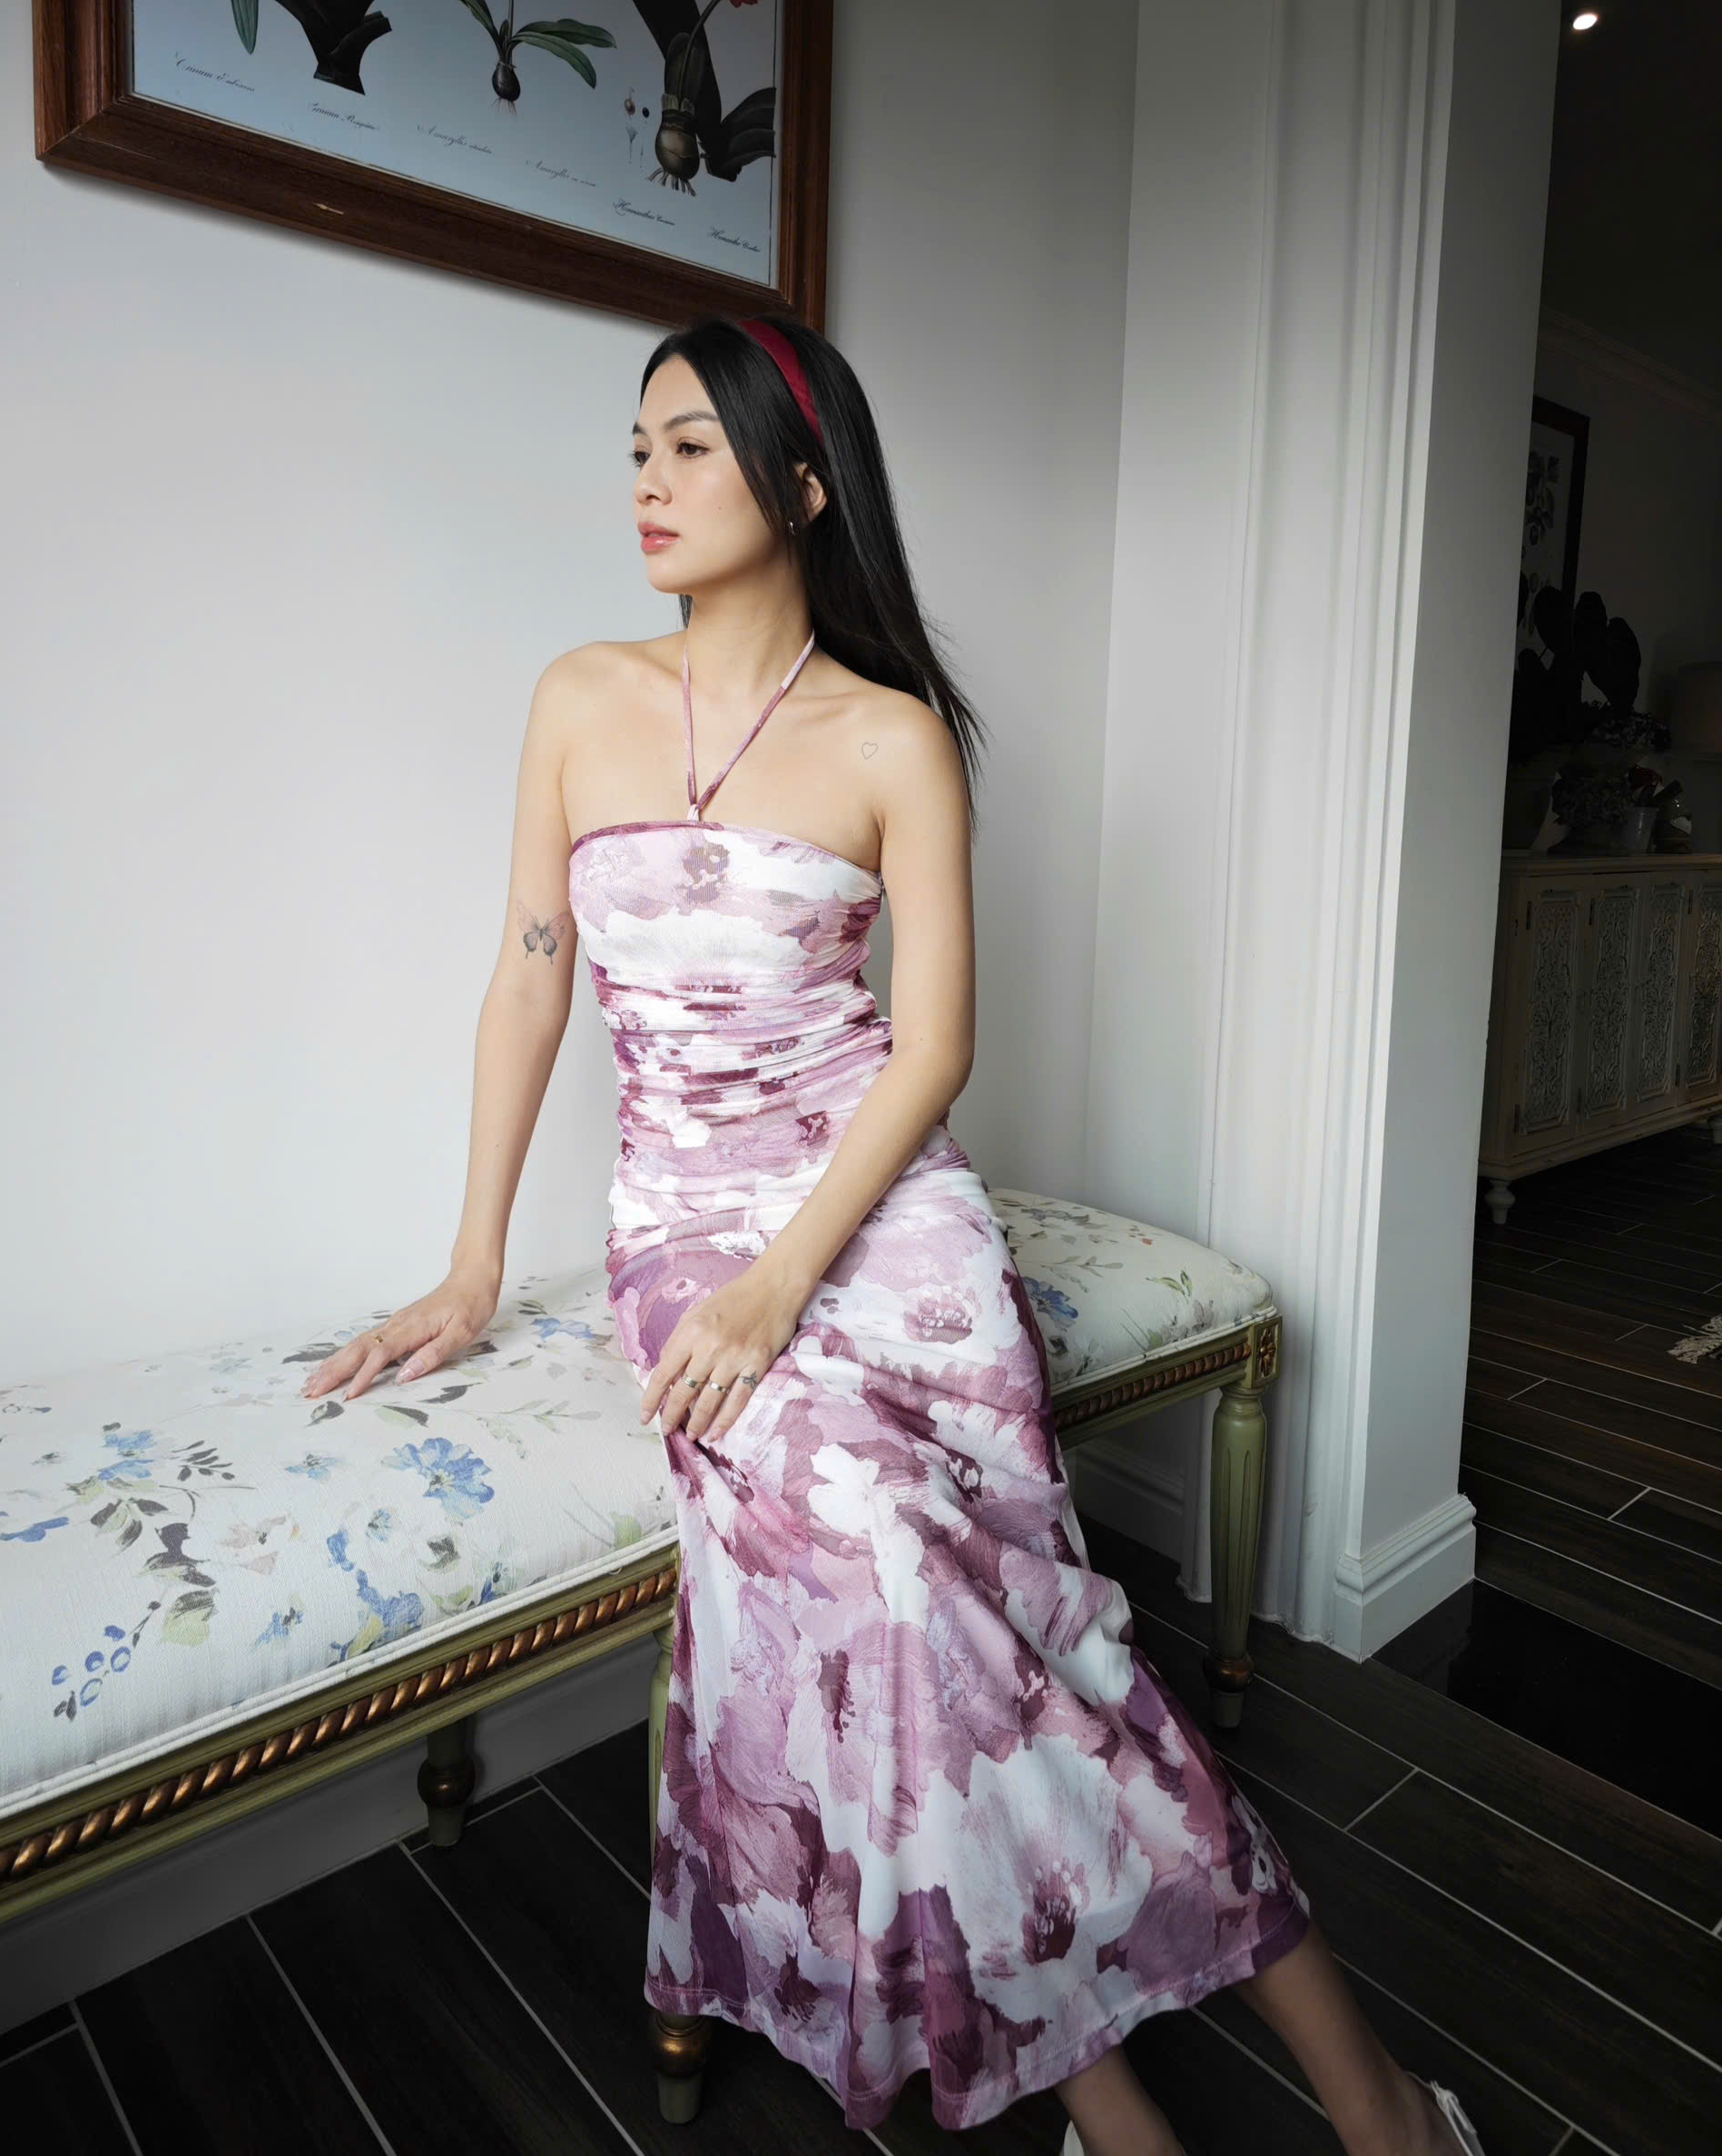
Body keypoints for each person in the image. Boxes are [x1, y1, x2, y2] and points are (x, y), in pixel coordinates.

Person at [300, 315, 1485, 2156]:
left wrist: (787, 1283)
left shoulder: (894, 734)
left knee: (964, 1611)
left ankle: (1347, 2105)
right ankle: (1225, 2100)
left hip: (881, 1219)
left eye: (691, 448)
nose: (647, 484)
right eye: (636, 449)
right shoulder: (577, 698)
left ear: (802, 483)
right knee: (921, 1589)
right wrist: (473, 1264)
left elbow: (931, 1047)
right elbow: (530, 982)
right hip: (686, 1226)